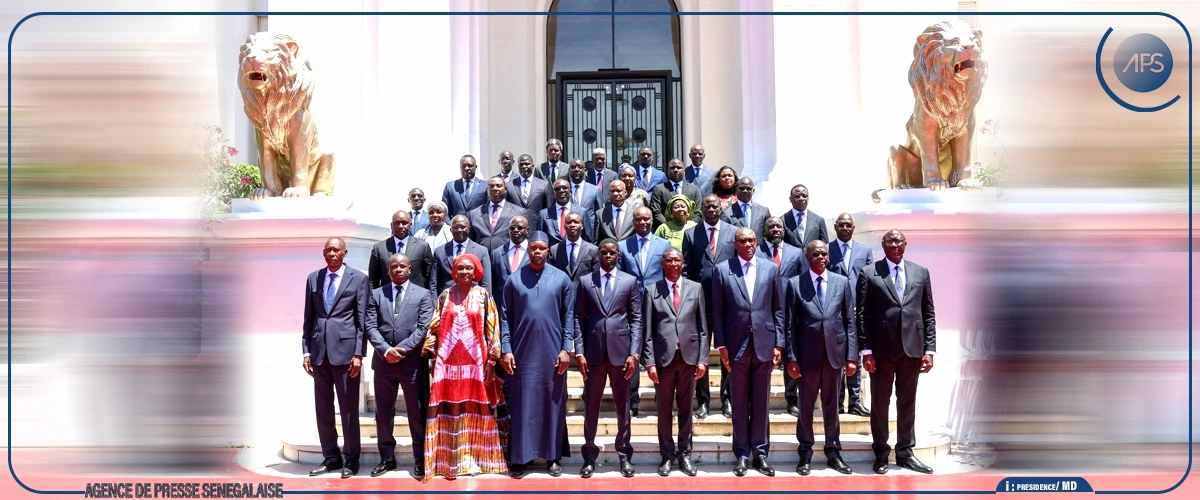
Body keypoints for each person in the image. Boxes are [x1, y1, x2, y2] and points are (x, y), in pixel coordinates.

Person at [421, 252, 510, 480]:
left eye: (469, 268)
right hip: (447, 365)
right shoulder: (445, 296)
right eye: (460, 268)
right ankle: (450, 460)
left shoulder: (484, 296)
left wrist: (492, 359)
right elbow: (435, 326)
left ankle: (475, 459)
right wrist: (431, 353)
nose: (464, 272)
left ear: (476, 271)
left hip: (476, 364)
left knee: (476, 408)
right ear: (454, 272)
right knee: (450, 409)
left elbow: (493, 328)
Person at [858, 229, 936, 475]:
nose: (894, 244)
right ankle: (881, 452)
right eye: (889, 241)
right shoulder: (869, 273)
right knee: (880, 403)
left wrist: (929, 349)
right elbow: (862, 315)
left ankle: (905, 452)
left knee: (907, 402)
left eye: (898, 240)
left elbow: (928, 313)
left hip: (912, 350)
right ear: (882, 245)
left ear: (905, 244)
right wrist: (866, 351)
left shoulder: (921, 272)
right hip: (881, 351)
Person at [499, 231, 575, 478]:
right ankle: (520, 458)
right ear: (528, 250)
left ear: (547, 251)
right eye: (533, 248)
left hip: (553, 354)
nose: (538, 252)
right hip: (521, 354)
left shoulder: (561, 279)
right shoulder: (514, 280)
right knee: (522, 405)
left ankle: (552, 457)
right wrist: (506, 349)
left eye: (542, 248)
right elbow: (504, 318)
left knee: (552, 405)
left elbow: (568, 316)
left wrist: (566, 348)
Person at [712, 227, 784, 477]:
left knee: (762, 402)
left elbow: (778, 309)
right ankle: (742, 453)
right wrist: (721, 345)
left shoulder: (771, 269)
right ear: (735, 244)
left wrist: (779, 344)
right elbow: (718, 311)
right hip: (736, 345)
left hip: (764, 343)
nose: (748, 244)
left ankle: (760, 453)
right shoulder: (723, 270)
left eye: (752, 240)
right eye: (743, 240)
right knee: (740, 402)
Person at [783, 241, 857, 476]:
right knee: (805, 407)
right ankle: (805, 453)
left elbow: (850, 322)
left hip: (834, 355)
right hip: (807, 357)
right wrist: (791, 358)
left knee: (832, 406)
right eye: (816, 254)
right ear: (807, 257)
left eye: (824, 254)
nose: (821, 257)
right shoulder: (795, 284)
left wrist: (851, 357)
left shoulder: (841, 282)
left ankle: (833, 452)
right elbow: (789, 325)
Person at [573, 239, 643, 478]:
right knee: (591, 406)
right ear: (599, 255)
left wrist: (634, 353)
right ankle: (589, 456)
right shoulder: (586, 282)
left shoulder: (629, 281)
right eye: (604, 252)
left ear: (618, 255)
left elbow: (636, 319)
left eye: (612, 253)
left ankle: (624, 455)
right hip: (593, 354)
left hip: (621, 354)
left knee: (623, 407)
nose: (608, 256)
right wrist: (579, 352)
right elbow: (579, 318)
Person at [301, 237, 369, 478]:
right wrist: (306, 350)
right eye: (328, 250)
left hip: (346, 355)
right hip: (319, 353)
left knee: (348, 409)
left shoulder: (358, 279)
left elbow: (361, 320)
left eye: (336, 250)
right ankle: (331, 457)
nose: (332, 253)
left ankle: (352, 459)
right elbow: (308, 318)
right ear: (323, 253)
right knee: (323, 409)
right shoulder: (314, 278)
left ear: (344, 253)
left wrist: (359, 353)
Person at [364, 253, 434, 479]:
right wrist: (386, 350)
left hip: (412, 363)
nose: (398, 270)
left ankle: (420, 459)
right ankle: (387, 458)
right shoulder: (376, 294)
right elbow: (370, 326)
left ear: (410, 269)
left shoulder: (423, 294)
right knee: (383, 412)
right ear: (388, 270)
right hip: (383, 362)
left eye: (402, 266)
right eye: (394, 266)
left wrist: (400, 350)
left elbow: (423, 328)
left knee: (417, 411)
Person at [642, 247, 708, 477]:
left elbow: (703, 328)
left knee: (686, 409)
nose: (673, 264)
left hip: (689, 358)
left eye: (677, 260)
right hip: (663, 360)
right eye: (669, 260)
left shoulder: (695, 288)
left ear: (683, 263)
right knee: (664, 409)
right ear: (662, 264)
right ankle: (667, 456)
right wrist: (649, 362)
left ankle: (685, 454)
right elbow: (647, 331)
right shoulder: (652, 291)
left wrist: (703, 359)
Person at [682, 194, 738, 419]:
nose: (712, 210)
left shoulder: (733, 232)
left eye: (715, 206)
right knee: (701, 354)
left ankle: (728, 399)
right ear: (701, 209)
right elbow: (686, 270)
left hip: (728, 303)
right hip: (701, 303)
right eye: (707, 206)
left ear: (720, 208)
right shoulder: (690, 234)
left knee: (728, 354)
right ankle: (703, 401)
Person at [617, 206, 671, 416]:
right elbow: (620, 277)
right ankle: (632, 402)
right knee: (633, 354)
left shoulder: (663, 244)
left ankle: (662, 399)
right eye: (638, 219)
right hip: (632, 308)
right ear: (633, 221)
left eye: (646, 219)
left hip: (658, 305)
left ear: (652, 221)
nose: (643, 222)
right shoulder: (623, 246)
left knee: (660, 354)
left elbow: (668, 274)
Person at [758, 216, 807, 417]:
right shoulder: (757, 251)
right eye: (771, 226)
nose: (775, 229)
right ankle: (760, 400)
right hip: (764, 311)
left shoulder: (796, 253)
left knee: (790, 356)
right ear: (765, 230)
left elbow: (804, 280)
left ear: (784, 230)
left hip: (790, 311)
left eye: (779, 226)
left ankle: (791, 399)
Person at [828, 212, 872, 417]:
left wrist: (864, 306)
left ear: (854, 228)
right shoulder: (826, 249)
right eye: (841, 225)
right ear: (835, 227)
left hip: (857, 311)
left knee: (855, 355)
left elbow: (869, 280)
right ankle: (837, 401)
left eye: (848, 225)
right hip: (834, 312)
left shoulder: (865, 250)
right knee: (837, 356)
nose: (845, 228)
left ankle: (855, 401)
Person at [369, 210, 435, 290]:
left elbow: (429, 278)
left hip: (415, 295)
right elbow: (372, 280)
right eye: (397, 223)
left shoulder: (423, 247)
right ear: (391, 225)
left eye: (404, 223)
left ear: (410, 225)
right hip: (387, 296)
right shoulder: (379, 248)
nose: (400, 226)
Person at [431, 215, 492, 297]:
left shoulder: (481, 251)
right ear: (450, 230)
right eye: (456, 227)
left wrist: (483, 301)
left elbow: (486, 283)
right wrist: (436, 303)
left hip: (473, 299)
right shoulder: (440, 251)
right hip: (447, 299)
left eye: (463, 227)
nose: (459, 230)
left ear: (469, 229)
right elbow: (433, 283)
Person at [469, 176, 527, 252]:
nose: (495, 189)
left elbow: (525, 239)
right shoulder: (474, 214)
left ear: (505, 189)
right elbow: (470, 241)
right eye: (491, 186)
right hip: (481, 257)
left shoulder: (518, 212)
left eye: (498, 186)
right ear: (487, 190)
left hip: (507, 256)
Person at [649, 158, 701, 230]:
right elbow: (656, 212)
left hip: (689, 231)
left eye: (679, 168)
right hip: (667, 231)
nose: (676, 170)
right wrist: (669, 227)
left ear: (684, 170)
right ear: (667, 170)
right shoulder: (659, 189)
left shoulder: (694, 189)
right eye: (672, 168)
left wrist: (688, 228)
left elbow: (698, 212)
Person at [549, 212, 599, 283]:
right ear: (564, 226)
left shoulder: (593, 250)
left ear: (582, 226)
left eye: (576, 222)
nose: (572, 225)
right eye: (569, 222)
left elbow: (596, 277)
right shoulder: (554, 250)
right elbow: (551, 275)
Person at [543, 178, 594, 245]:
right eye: (557, 189)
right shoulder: (544, 214)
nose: (561, 191)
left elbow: (588, 239)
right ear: (553, 194)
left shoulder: (582, 212)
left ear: (570, 192)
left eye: (564, 188)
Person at [490, 216, 530, 302]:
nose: (515, 230)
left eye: (520, 228)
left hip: (526, 302)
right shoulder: (497, 253)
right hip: (502, 303)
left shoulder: (534, 252)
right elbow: (493, 282)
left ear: (527, 230)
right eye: (512, 228)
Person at [724, 177, 771, 242]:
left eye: (748, 188)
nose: (745, 191)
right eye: (741, 188)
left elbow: (769, 234)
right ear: (736, 190)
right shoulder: (726, 213)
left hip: (759, 248)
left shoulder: (764, 211)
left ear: (753, 191)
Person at [442, 154, 488, 218]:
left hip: (478, 224)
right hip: (457, 224)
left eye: (470, 166)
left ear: (475, 167)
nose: (466, 168)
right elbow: (445, 211)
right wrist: (451, 223)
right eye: (463, 166)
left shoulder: (485, 185)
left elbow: (489, 208)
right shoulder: (450, 186)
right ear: (460, 167)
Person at [783, 184, 829, 249]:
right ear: (790, 199)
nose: (801, 198)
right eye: (797, 196)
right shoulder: (782, 220)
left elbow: (825, 246)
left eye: (804, 196)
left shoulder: (819, 220)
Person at [565, 158, 603, 227]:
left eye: (580, 167)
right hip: (569, 228)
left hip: (589, 229)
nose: (576, 169)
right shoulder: (563, 190)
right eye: (573, 167)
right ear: (569, 170)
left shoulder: (595, 190)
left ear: (585, 170)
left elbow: (600, 214)